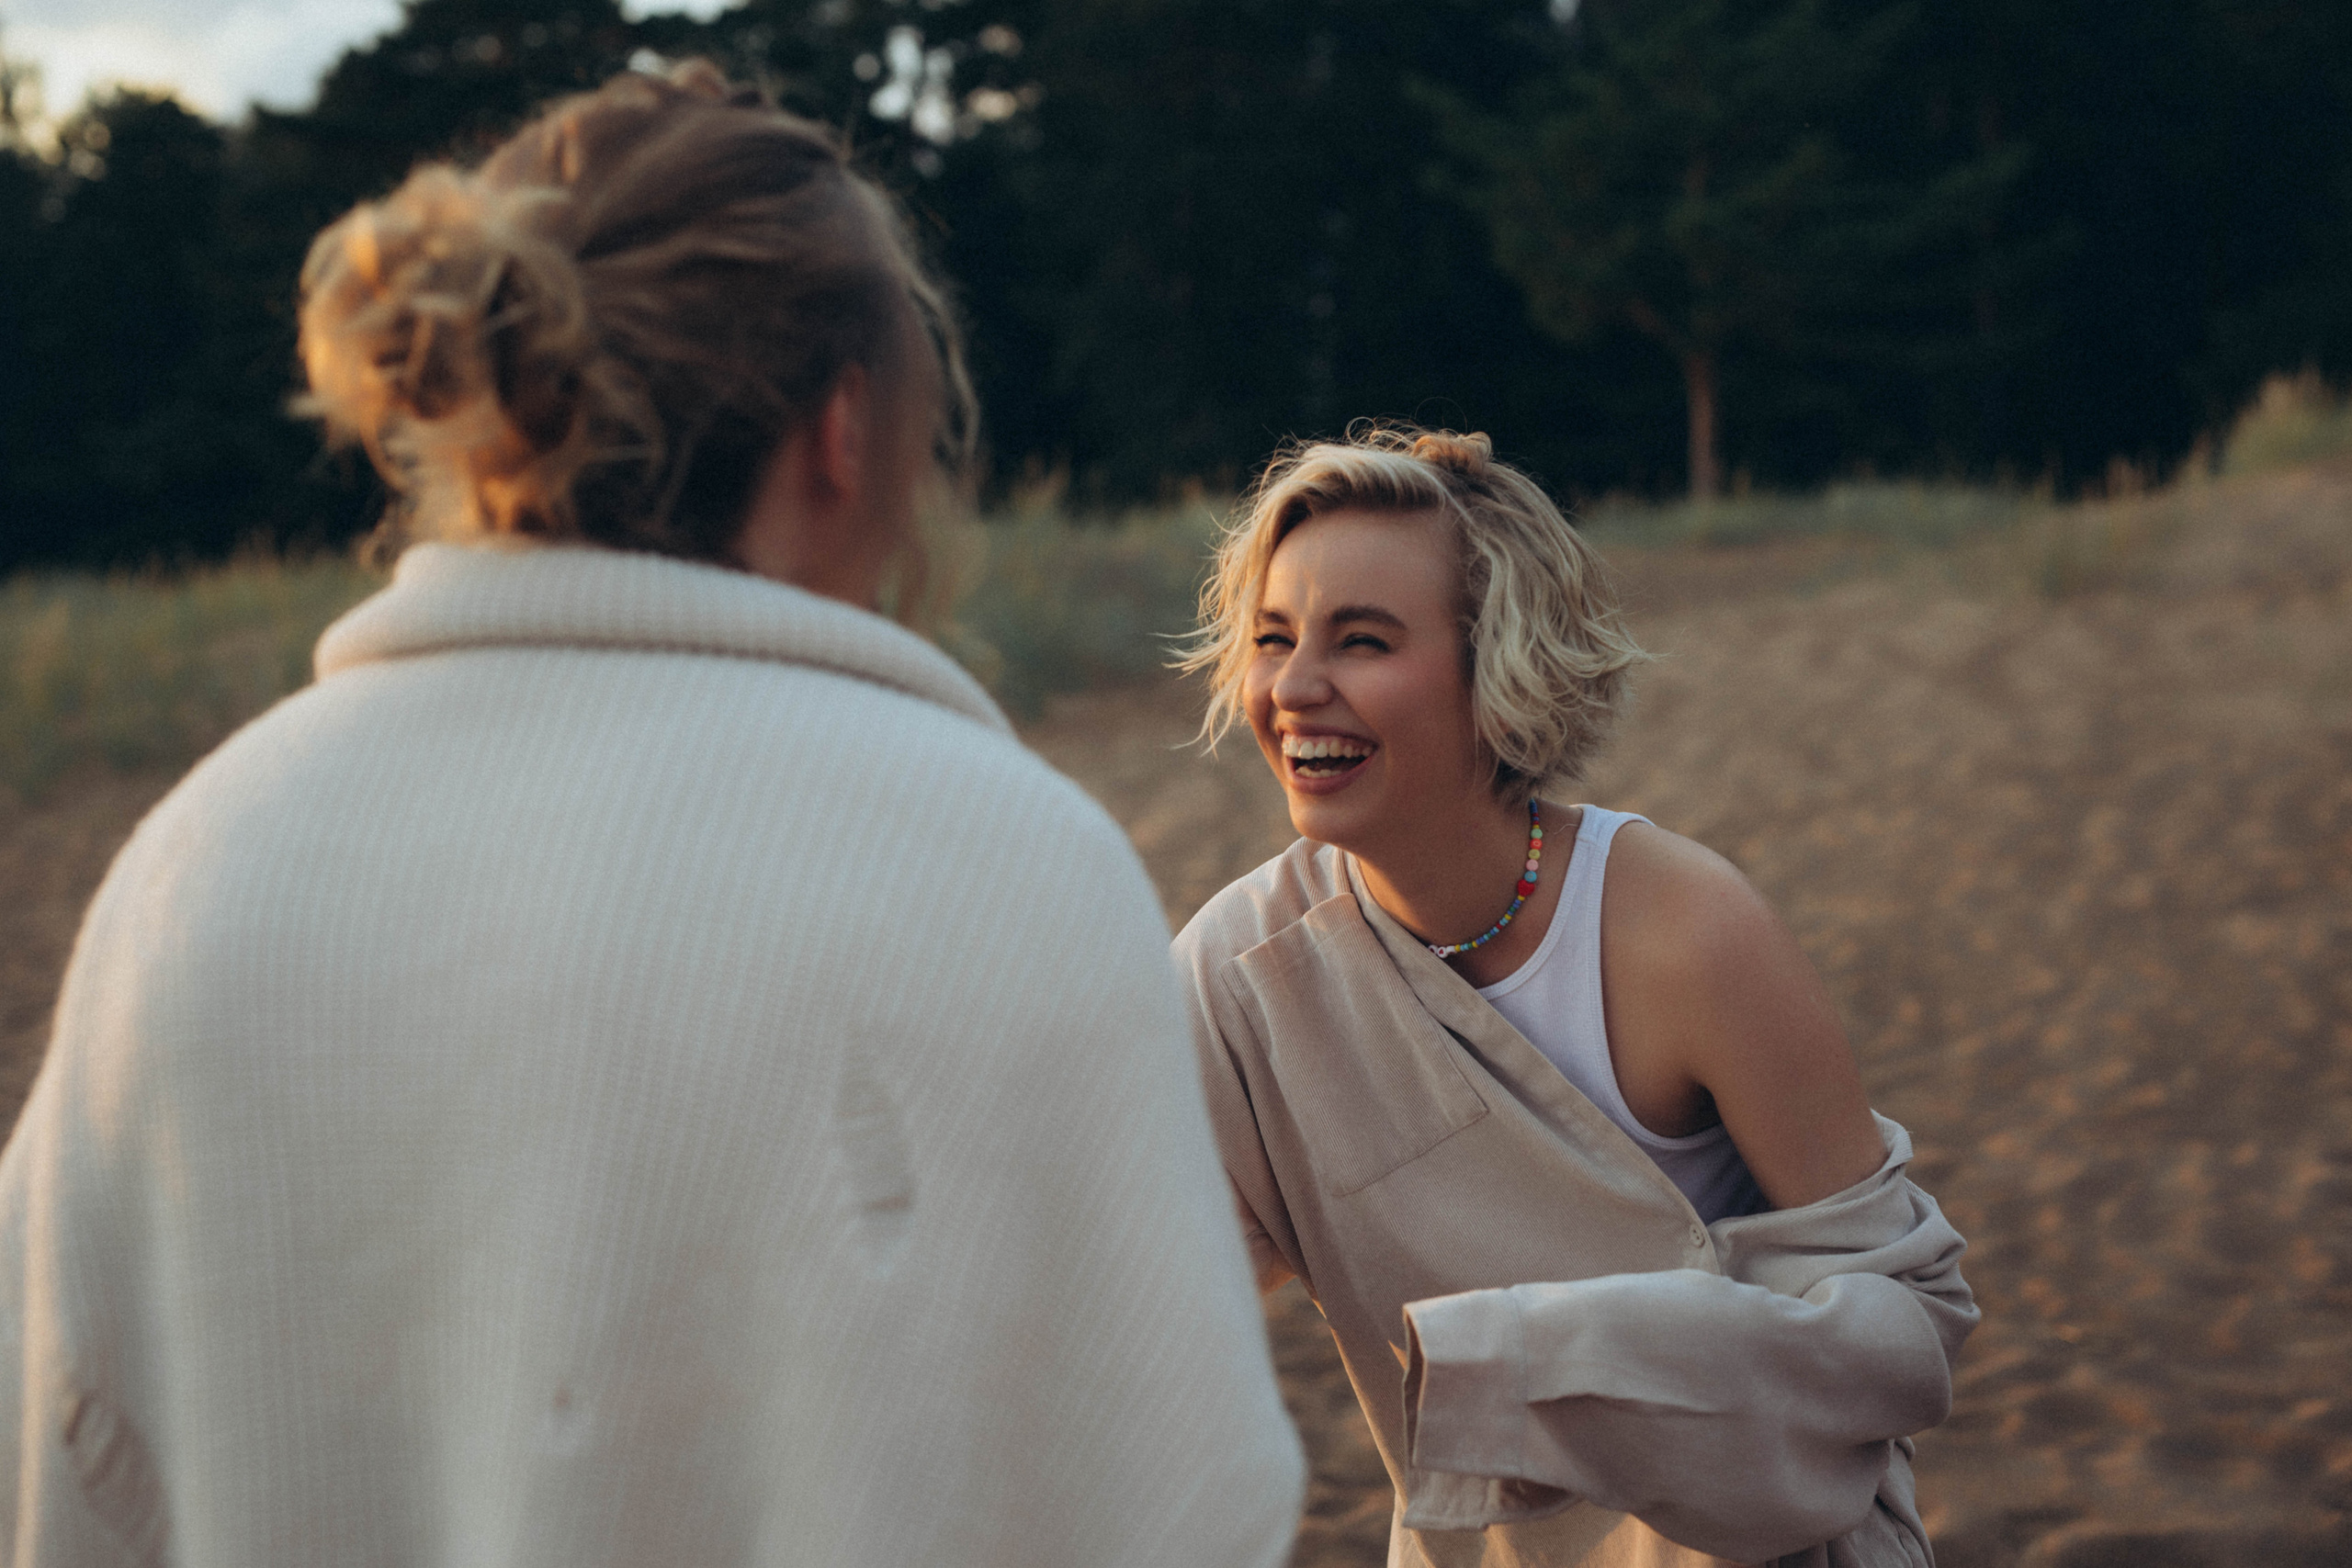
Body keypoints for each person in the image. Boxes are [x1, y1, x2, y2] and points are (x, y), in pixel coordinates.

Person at [0, 63, 1302, 1566]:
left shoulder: (194, 865)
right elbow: (1182, 1506)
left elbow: (58, 1477)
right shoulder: (1019, 865)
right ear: (846, 427)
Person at [1173, 424, 1976, 1568]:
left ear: (1498, 663)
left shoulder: (1686, 931)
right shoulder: (1238, 974)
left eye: (1362, 641)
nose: (1295, 689)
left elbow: (1905, 1334)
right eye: (1271, 638)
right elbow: (1122, 1286)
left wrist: (1537, 1361)